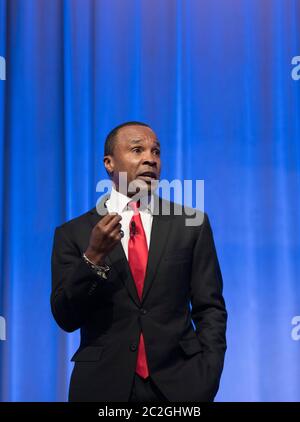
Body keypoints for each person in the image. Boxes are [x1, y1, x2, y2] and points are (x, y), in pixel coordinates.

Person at [51, 121, 227, 402]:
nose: (150, 158)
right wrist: (93, 257)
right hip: (101, 387)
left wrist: (207, 374)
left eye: (156, 152)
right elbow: (66, 317)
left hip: (180, 387)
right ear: (109, 163)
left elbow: (210, 308)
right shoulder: (74, 233)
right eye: (137, 149)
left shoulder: (191, 225)